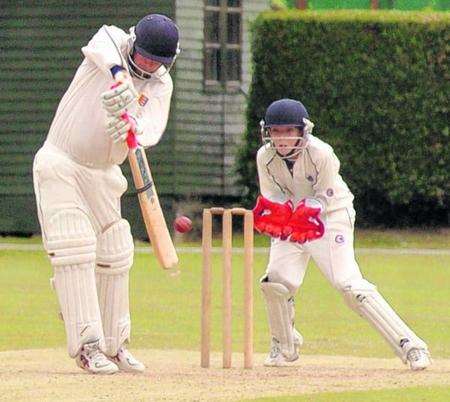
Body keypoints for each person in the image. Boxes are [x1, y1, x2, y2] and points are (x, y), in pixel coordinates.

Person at [32, 14, 180, 374]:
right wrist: (119, 78)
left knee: (116, 250)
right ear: (133, 44)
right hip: (61, 163)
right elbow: (101, 49)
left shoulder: (161, 85)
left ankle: (115, 346)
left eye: (156, 62)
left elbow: (150, 131)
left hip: (105, 174)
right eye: (143, 57)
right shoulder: (112, 40)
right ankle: (88, 346)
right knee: (75, 247)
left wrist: (130, 122)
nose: (147, 65)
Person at [252, 98, 431, 370]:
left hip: (331, 216)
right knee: (275, 283)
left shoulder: (321, 152)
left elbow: (324, 196)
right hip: (294, 218)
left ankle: (411, 346)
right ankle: (284, 347)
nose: (282, 138)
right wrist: (277, 214)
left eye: (288, 131)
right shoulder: (264, 157)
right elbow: (273, 195)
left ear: (302, 131)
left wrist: (303, 211)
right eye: (276, 132)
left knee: (349, 286)